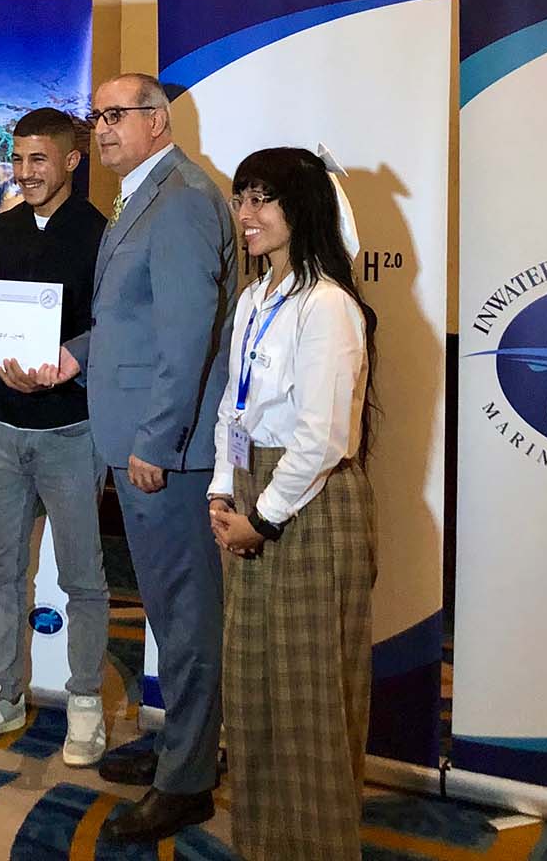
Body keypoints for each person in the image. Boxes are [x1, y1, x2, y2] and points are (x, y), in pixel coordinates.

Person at [0, 72, 234, 842]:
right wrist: (72, 358)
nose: (105, 128)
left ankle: (188, 781)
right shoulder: (147, 195)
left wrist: (155, 442)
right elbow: (125, 322)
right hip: (121, 431)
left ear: (158, 120)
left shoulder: (177, 201)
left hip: (158, 449)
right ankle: (182, 745)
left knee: (185, 613)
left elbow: (185, 339)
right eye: (98, 115)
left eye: (118, 115)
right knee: (172, 617)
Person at [206, 146, 377, 860]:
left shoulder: (328, 305)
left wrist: (263, 517)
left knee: (309, 698)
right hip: (251, 497)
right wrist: (222, 492)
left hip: (309, 508)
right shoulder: (255, 297)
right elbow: (230, 410)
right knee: (253, 689)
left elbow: (325, 435)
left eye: (262, 199)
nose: (246, 214)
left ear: (300, 209)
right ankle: (265, 843)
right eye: (242, 198)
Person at [0, 108, 112, 766]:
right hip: (4, 428)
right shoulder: (0, 231)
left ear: (71, 160)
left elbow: (114, 329)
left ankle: (86, 702)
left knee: (83, 575)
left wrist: (68, 360)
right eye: (19, 158)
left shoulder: (103, 235)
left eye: (41, 159)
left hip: (73, 430)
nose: (27, 172)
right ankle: (1, 691)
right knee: (0, 567)